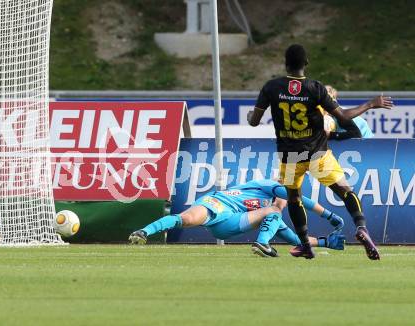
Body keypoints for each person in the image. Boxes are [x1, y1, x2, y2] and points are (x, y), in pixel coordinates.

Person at [247, 44, 393, 260]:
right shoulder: (315, 88)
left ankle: (306, 245)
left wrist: (252, 115)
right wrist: (371, 103)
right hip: (317, 154)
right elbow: (343, 117)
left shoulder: (271, 87)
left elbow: (254, 121)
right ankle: (361, 226)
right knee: (345, 190)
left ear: (285, 64)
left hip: (289, 158)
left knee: (294, 199)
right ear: (306, 63)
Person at [129, 179, 346, 257]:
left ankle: (262, 245)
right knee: (185, 219)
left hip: (229, 225)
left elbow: (296, 240)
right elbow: (298, 198)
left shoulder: (271, 214)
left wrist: (325, 241)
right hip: (218, 203)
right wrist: (329, 214)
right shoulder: (268, 186)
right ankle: (143, 232)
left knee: (274, 215)